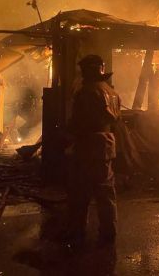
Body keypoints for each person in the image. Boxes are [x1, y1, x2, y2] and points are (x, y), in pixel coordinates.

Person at [66, 54, 121, 245]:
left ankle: (77, 231)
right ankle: (109, 231)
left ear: (87, 71)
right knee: (105, 191)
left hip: (88, 145)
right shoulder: (111, 92)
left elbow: (77, 121)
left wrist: (67, 137)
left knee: (80, 191)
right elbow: (116, 120)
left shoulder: (87, 92)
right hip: (106, 144)